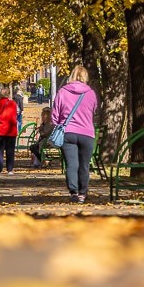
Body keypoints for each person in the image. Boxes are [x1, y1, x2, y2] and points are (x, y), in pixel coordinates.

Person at [52, 65, 98, 203]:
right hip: (87, 133)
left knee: (71, 165)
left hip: (68, 132)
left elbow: (55, 115)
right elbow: (93, 111)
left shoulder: (62, 92)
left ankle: (74, 192)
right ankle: (83, 193)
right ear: (85, 77)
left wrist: (60, 124)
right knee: (84, 165)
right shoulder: (91, 93)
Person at [0, 87, 19, 175]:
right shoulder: (14, 104)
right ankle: (10, 169)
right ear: (9, 94)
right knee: (10, 151)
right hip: (11, 130)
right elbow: (18, 112)